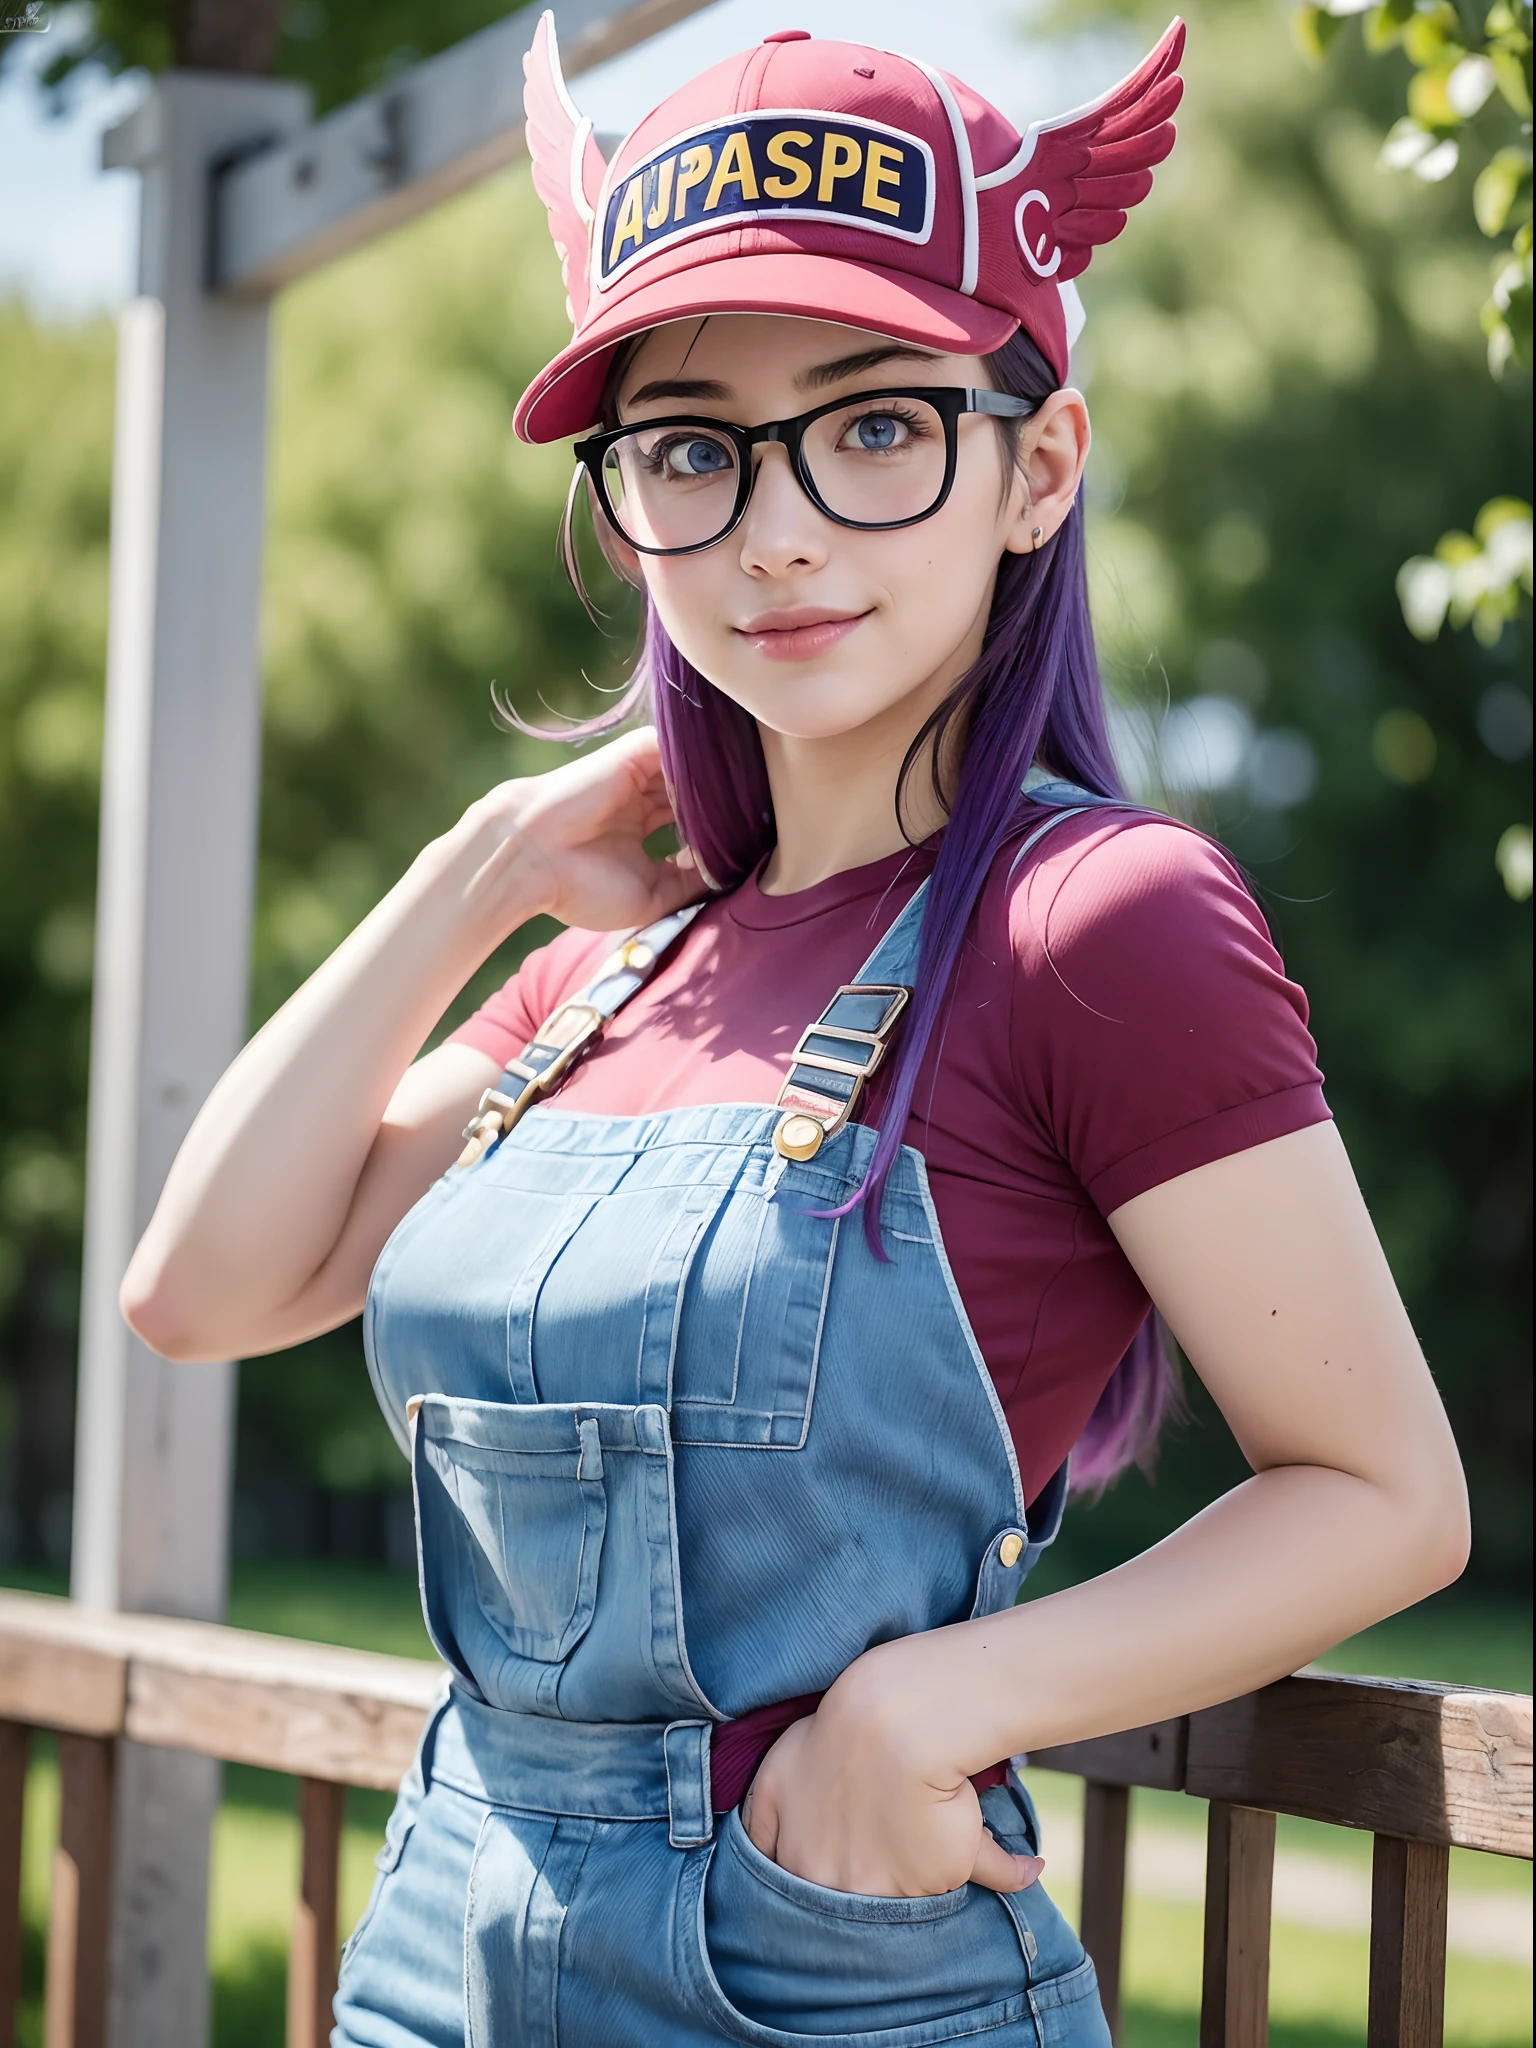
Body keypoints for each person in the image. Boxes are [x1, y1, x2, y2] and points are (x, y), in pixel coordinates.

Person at [121, 15, 1470, 2044]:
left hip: (817, 1973)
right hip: (438, 1945)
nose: (772, 529)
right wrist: (480, 871)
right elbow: (197, 1286)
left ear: (1037, 466)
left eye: (870, 425)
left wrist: (946, 1697)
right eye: (690, 447)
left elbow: (1384, 1487)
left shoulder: (1097, 921)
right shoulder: (617, 970)